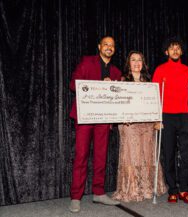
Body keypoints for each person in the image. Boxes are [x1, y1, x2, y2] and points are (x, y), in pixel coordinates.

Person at [69, 36, 122, 212]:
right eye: (106, 44)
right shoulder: (87, 62)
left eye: (112, 46)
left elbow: (117, 98)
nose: (109, 47)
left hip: (103, 120)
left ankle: (98, 193)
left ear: (114, 49)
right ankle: (76, 197)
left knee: (101, 157)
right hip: (85, 117)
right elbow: (73, 84)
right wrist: (99, 85)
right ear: (99, 46)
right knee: (81, 156)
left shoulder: (116, 71)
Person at [112, 51, 167, 202]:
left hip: (147, 124)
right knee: (131, 156)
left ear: (143, 63)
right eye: (133, 60)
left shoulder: (149, 82)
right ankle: (133, 189)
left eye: (139, 60)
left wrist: (157, 120)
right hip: (129, 124)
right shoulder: (122, 82)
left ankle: (148, 187)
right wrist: (122, 117)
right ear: (128, 63)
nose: (136, 63)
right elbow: (116, 105)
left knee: (148, 155)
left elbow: (156, 103)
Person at [152, 37, 188, 204]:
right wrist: (156, 118)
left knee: (186, 154)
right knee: (169, 153)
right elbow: (155, 95)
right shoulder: (160, 70)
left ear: (181, 52)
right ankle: (172, 189)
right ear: (167, 51)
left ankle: (184, 189)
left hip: (185, 115)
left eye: (177, 48)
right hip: (166, 115)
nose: (175, 51)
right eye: (172, 48)